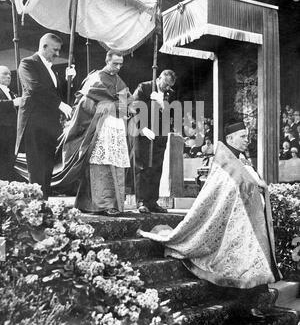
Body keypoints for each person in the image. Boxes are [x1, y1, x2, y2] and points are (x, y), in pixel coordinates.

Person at [138, 120, 281, 294]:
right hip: (233, 222)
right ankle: (249, 297)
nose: (247, 140)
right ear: (230, 138)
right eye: (243, 136)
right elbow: (223, 192)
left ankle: (257, 294)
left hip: (248, 222)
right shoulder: (224, 163)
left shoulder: (242, 159)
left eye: (247, 137)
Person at [52, 50, 135, 216]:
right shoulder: (96, 78)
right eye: (115, 64)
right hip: (100, 129)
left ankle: (113, 203)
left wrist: (126, 108)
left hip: (116, 129)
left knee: (115, 165)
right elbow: (85, 104)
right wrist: (109, 107)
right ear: (107, 60)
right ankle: (102, 204)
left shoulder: (120, 81)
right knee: (99, 165)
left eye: (120, 64)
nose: (118, 67)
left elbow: (128, 103)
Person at [15, 33, 75, 199]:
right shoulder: (27, 63)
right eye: (55, 50)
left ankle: (44, 205)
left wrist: (68, 80)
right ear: (44, 46)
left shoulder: (52, 70)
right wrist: (60, 105)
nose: (57, 54)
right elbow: (35, 88)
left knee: (47, 167)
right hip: (34, 123)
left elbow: (58, 93)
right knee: (36, 168)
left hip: (49, 125)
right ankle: (36, 205)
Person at [132, 69, 177, 214]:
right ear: (159, 79)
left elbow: (173, 113)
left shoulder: (169, 94)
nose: (167, 88)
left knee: (157, 168)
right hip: (145, 134)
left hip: (160, 136)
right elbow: (133, 108)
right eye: (165, 84)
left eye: (170, 86)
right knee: (143, 167)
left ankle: (152, 202)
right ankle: (141, 202)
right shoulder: (144, 88)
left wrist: (162, 102)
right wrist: (142, 128)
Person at [0, 66, 22, 181]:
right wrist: (12, 103)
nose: (8, 76)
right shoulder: (12, 97)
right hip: (1, 132)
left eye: (10, 74)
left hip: (12, 133)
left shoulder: (12, 93)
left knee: (10, 162)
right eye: (4, 74)